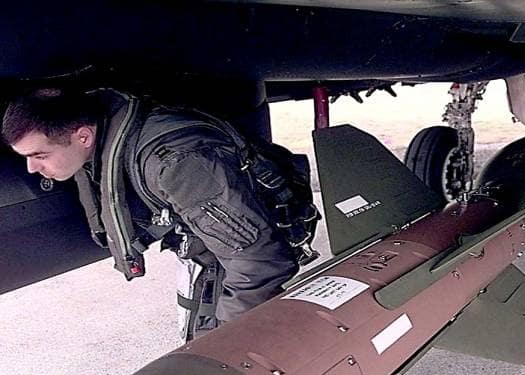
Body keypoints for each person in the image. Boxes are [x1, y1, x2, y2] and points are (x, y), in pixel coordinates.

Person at [2, 88, 319, 338]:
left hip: (240, 259)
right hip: (210, 251)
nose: (31, 168)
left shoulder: (176, 164)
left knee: (227, 367)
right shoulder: (99, 138)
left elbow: (259, 262)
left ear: (83, 136)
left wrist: (228, 345)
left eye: (39, 155)